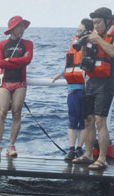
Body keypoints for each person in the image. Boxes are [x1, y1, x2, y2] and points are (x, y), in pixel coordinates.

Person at [73, 7, 114, 170]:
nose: (96, 26)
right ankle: (88, 155)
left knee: (100, 120)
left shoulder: (108, 36)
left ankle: (102, 158)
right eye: (94, 23)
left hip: (106, 83)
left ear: (107, 21)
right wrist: (84, 43)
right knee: (87, 120)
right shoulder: (92, 35)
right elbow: (83, 60)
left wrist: (97, 38)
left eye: (98, 22)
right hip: (90, 81)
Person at [51, 19, 94, 161]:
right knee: (72, 120)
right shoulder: (74, 44)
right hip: (72, 90)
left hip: (85, 89)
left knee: (83, 121)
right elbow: (71, 64)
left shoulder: (89, 45)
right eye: (77, 30)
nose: (78, 33)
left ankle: (79, 149)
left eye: (80, 30)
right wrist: (60, 74)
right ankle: (70, 149)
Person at [0, 16, 33, 159]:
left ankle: (11, 145)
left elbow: (27, 60)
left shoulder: (28, 44)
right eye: (19, 27)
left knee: (17, 113)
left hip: (20, 83)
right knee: (1, 112)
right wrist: (18, 62)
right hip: (4, 83)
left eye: (23, 26)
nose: (22, 29)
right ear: (12, 29)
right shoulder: (1, 45)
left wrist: (10, 60)